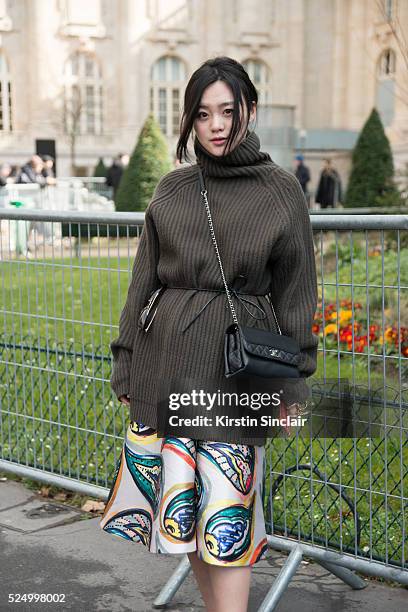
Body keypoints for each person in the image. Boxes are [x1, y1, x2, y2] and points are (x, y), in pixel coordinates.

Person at [100, 56, 318, 612]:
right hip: (164, 369)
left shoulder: (280, 191)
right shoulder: (173, 190)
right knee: (186, 518)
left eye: (227, 110)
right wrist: (124, 362)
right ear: (189, 123)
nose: (217, 125)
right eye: (203, 114)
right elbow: (140, 284)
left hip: (234, 379)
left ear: (250, 108)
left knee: (229, 522)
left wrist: (293, 387)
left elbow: (296, 295)